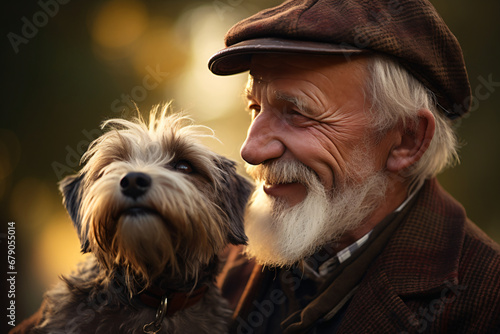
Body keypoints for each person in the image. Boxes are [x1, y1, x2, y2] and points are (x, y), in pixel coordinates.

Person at [208, 0, 500, 333]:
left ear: (406, 139)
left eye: (298, 112)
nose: (251, 149)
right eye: (255, 107)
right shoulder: (215, 257)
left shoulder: (485, 299)